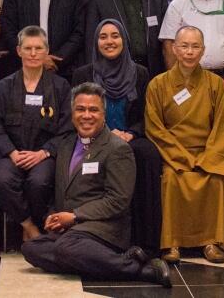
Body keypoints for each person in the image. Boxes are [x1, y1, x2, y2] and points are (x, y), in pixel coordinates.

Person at [21, 82, 171, 287]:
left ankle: (141, 270)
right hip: (73, 229)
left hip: (106, 228)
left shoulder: (118, 149)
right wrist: (56, 216)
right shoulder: (65, 145)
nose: (86, 115)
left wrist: (74, 216)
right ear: (72, 113)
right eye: (80, 109)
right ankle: (103, 262)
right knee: (31, 249)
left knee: (66, 248)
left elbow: (118, 200)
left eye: (93, 110)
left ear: (104, 114)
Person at [146, 25, 224, 263]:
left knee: (215, 179)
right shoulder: (158, 84)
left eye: (195, 46)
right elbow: (155, 128)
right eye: (184, 46)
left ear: (203, 50)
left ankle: (211, 242)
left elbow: (223, 126)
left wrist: (209, 158)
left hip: (208, 152)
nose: (189, 52)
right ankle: (172, 243)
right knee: (172, 180)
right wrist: (182, 157)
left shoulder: (216, 83)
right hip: (173, 155)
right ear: (174, 49)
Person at [73, 19, 162, 255]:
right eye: (103, 37)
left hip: (129, 136)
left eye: (115, 36)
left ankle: (147, 241)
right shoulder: (84, 74)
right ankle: (99, 234)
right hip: (95, 138)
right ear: (95, 42)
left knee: (148, 155)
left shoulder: (141, 73)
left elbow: (146, 114)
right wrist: (106, 134)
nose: (109, 41)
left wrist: (130, 133)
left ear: (124, 40)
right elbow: (78, 115)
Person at [0, 26, 72, 241]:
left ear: (47, 51)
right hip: (12, 154)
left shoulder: (61, 87)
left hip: (44, 154)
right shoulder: (4, 86)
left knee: (39, 182)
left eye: (38, 48)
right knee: (2, 179)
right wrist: (11, 153)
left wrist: (44, 153)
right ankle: (30, 226)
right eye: (28, 48)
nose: (33, 53)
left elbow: (67, 127)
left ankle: (43, 226)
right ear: (18, 51)